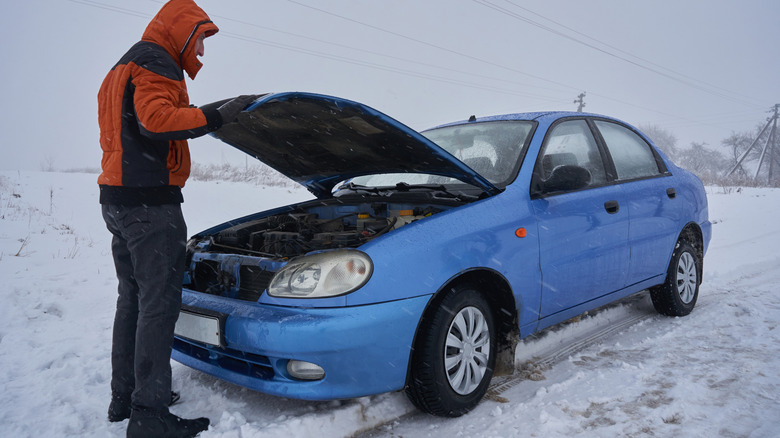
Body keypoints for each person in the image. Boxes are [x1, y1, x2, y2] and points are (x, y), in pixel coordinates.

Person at [97, 1, 256, 436]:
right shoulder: (158, 60)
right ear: (184, 30)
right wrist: (214, 117)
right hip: (149, 204)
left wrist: (212, 110)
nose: (202, 49)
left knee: (132, 300)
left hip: (118, 199)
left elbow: (138, 119)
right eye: (202, 38)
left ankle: (124, 397)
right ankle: (148, 414)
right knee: (158, 304)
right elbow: (155, 120)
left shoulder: (125, 62)